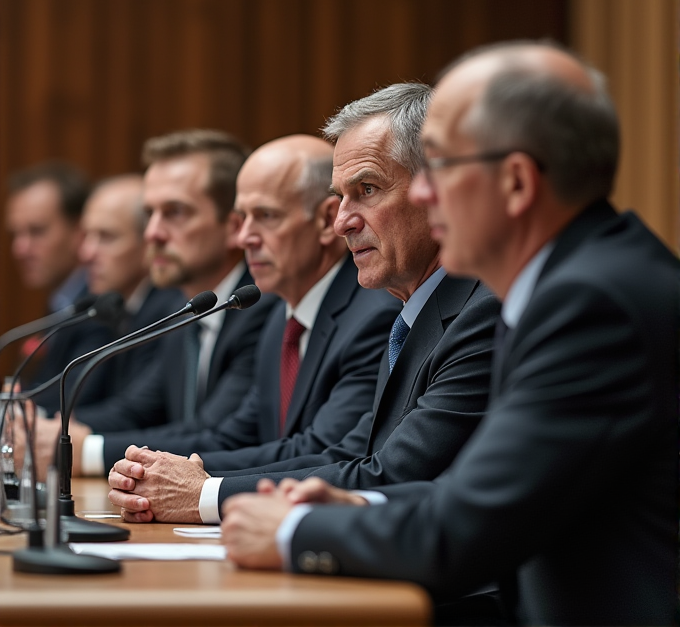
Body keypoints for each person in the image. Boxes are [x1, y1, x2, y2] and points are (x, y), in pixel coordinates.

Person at [221, 42, 679, 626]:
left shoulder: (591, 304)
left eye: (442, 169)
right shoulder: (574, 280)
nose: (424, 193)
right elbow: (474, 490)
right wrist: (354, 503)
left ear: (515, 182)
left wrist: (296, 530)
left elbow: (470, 528)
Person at [107, 85, 499, 532]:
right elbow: (351, 455)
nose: (342, 222)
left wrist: (202, 494)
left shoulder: (477, 313)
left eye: (367, 189)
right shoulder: (408, 317)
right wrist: (168, 477)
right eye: (341, 197)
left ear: (436, 191)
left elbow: (391, 474)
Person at [19, 129, 278, 480]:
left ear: (233, 226)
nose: (152, 232)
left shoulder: (260, 306)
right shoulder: (185, 309)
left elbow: (220, 434)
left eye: (175, 212)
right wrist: (46, 428)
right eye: (149, 213)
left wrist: (82, 448)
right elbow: (138, 409)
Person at [5, 161, 113, 415]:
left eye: (37, 231)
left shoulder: (100, 308)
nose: (19, 249)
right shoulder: (63, 300)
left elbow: (67, 404)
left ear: (79, 230)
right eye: (15, 234)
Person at [78, 174, 185, 395]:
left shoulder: (167, 314)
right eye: (86, 235)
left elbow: (135, 411)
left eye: (106, 237)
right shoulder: (114, 308)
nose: (86, 253)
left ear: (147, 244)